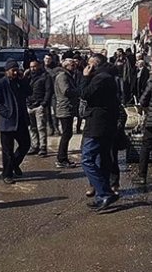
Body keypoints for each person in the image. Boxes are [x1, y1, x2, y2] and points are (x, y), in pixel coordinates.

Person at [80, 54, 121, 212]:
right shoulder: (107, 76)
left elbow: (85, 94)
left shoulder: (100, 78)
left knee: (87, 159)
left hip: (98, 125)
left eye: (89, 64)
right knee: (103, 160)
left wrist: (85, 77)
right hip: (106, 124)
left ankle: (104, 192)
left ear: (94, 65)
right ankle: (103, 195)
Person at [0, 60, 32, 185]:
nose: (15, 72)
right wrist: (7, 113)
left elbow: (29, 92)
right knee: (7, 150)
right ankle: (7, 174)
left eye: (16, 70)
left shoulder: (19, 82)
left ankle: (13, 164)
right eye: (12, 70)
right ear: (6, 71)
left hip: (21, 121)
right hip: (8, 122)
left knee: (26, 145)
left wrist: (23, 80)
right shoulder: (0, 84)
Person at [53, 59, 80, 168]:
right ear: (66, 65)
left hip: (68, 107)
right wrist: (79, 91)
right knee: (66, 133)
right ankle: (62, 158)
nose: (74, 67)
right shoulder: (62, 76)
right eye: (72, 65)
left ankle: (62, 157)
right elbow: (66, 91)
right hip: (65, 107)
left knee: (67, 133)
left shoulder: (68, 75)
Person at [26, 60, 54, 157]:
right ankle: (34, 145)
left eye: (34, 66)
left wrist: (44, 104)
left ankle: (43, 147)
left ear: (39, 66)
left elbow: (49, 91)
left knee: (41, 127)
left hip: (40, 105)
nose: (32, 69)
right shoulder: (28, 77)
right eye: (31, 67)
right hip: (29, 105)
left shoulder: (45, 76)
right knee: (32, 127)